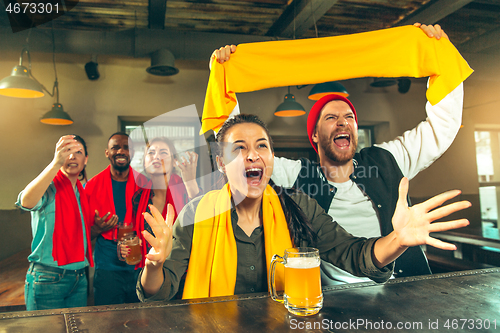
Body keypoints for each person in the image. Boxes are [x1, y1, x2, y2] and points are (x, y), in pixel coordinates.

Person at [211, 24, 464, 284]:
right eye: (331, 117)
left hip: (402, 291)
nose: (343, 123)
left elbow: (442, 128)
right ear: (315, 136)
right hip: (330, 305)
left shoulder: (387, 160)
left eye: (349, 118)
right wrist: (223, 73)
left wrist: (439, 54)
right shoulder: (297, 175)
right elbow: (237, 148)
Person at [136, 114, 470, 301]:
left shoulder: (298, 206)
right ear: (221, 163)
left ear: (270, 157)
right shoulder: (196, 213)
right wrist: (154, 266)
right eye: (239, 149)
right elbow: (159, 292)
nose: (252, 155)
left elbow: (352, 253)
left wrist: (397, 239)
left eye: (262, 146)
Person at [16, 135, 94, 310]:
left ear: (86, 159)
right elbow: (26, 201)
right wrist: (55, 164)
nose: (73, 157)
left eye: (78, 152)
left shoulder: (81, 193)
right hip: (48, 278)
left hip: (79, 278)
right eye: (67, 152)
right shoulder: (49, 187)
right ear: (59, 156)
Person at [85, 132, 147, 305]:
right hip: (107, 267)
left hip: (139, 264)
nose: (121, 151)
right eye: (115, 147)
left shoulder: (145, 184)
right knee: (107, 321)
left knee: (140, 321)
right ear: (107, 152)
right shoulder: (91, 186)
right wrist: (97, 229)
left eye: (127, 148)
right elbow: (82, 238)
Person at [122, 137, 200, 270]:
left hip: (182, 273)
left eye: (163, 152)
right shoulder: (138, 197)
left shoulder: (187, 189)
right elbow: (132, 233)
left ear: (175, 162)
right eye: (151, 153)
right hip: (148, 271)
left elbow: (202, 222)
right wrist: (129, 246)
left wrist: (191, 182)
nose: (156, 156)